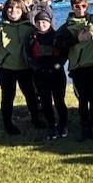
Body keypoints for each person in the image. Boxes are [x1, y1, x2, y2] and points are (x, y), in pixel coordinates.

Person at [0, 0, 41, 135]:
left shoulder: (29, 27)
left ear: (22, 10)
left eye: (17, 8)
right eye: (10, 8)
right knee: (8, 96)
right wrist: (3, 56)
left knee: (31, 94)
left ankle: (36, 119)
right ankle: (8, 124)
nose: (13, 11)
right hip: (6, 69)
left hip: (25, 68)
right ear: (5, 11)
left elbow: (36, 45)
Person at [55, 0, 93, 141]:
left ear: (87, 6)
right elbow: (58, 44)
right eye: (77, 6)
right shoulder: (66, 26)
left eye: (83, 6)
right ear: (72, 8)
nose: (80, 9)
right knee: (83, 100)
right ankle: (84, 129)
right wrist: (77, 39)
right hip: (77, 69)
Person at [26, 11, 69, 140]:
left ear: (50, 23)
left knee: (59, 101)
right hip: (40, 75)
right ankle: (52, 126)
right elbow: (28, 56)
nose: (41, 25)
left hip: (56, 74)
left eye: (44, 22)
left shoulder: (57, 36)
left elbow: (64, 55)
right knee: (45, 102)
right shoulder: (31, 38)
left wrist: (56, 66)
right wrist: (38, 69)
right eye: (38, 22)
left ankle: (63, 125)